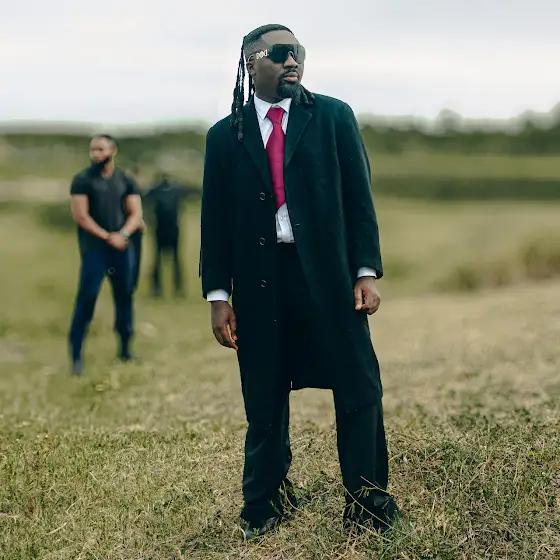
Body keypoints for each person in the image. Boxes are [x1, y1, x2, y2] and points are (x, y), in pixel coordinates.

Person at [199, 24, 401, 540]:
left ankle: (368, 502)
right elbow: (214, 220)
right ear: (252, 63)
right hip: (259, 282)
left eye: (299, 52)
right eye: (281, 53)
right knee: (264, 395)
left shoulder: (333, 117)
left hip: (330, 277)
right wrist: (219, 295)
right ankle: (264, 505)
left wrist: (365, 271)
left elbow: (359, 198)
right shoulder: (225, 135)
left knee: (359, 385)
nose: (293, 61)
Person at [68, 134, 143, 375]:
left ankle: (125, 349)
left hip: (122, 249)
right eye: (93, 149)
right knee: (87, 297)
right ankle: (76, 355)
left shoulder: (125, 179)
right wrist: (107, 236)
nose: (96, 154)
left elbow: (136, 213)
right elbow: (81, 216)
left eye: (100, 149)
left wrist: (123, 234)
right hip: (95, 251)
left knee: (124, 296)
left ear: (113, 150)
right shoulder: (82, 180)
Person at [143, 172, 197, 298]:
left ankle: (175, 288)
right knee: (160, 259)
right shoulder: (163, 189)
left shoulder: (163, 189)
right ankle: (158, 289)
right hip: (163, 229)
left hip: (169, 229)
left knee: (173, 259)